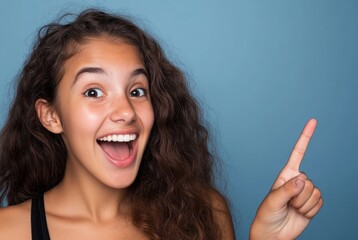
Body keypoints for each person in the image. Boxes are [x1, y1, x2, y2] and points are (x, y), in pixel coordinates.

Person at [0, 9, 322, 239]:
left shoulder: (205, 213)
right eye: (94, 92)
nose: (126, 111)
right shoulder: (8, 231)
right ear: (51, 116)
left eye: (137, 91)